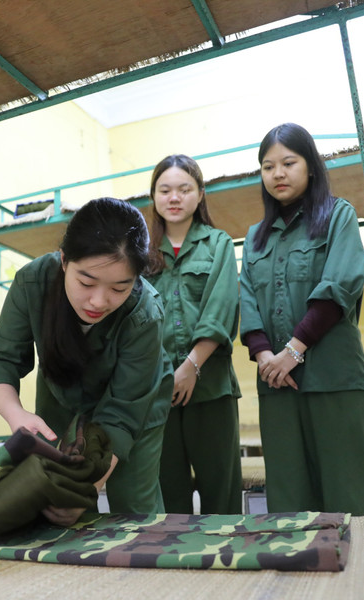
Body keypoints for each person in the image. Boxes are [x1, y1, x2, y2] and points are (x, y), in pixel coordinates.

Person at [0, 197, 173, 525]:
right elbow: (0, 358)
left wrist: (86, 488)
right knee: (54, 501)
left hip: (136, 403)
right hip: (61, 392)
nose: (98, 301)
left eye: (119, 288)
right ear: (64, 260)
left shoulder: (146, 315)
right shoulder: (32, 283)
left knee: (134, 505)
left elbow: (122, 415)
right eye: (86, 282)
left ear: (136, 280)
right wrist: (17, 416)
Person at [239, 123, 364, 516]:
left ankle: (362, 579)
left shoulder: (338, 216)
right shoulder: (254, 238)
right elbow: (248, 301)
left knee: (349, 498)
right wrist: (266, 357)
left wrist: (292, 352)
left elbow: (339, 287)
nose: (278, 173)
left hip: (334, 382)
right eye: (268, 166)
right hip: (277, 387)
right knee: (289, 504)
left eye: (288, 162)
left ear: (311, 166)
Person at [144, 154, 243, 515]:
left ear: (200, 194)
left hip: (211, 387)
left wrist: (190, 366)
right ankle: (179, 568)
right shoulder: (140, 253)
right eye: (165, 190)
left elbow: (221, 307)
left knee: (223, 494)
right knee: (168, 497)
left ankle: (229, 566)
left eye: (184, 189)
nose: (174, 197)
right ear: (153, 196)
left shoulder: (218, 244)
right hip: (157, 392)